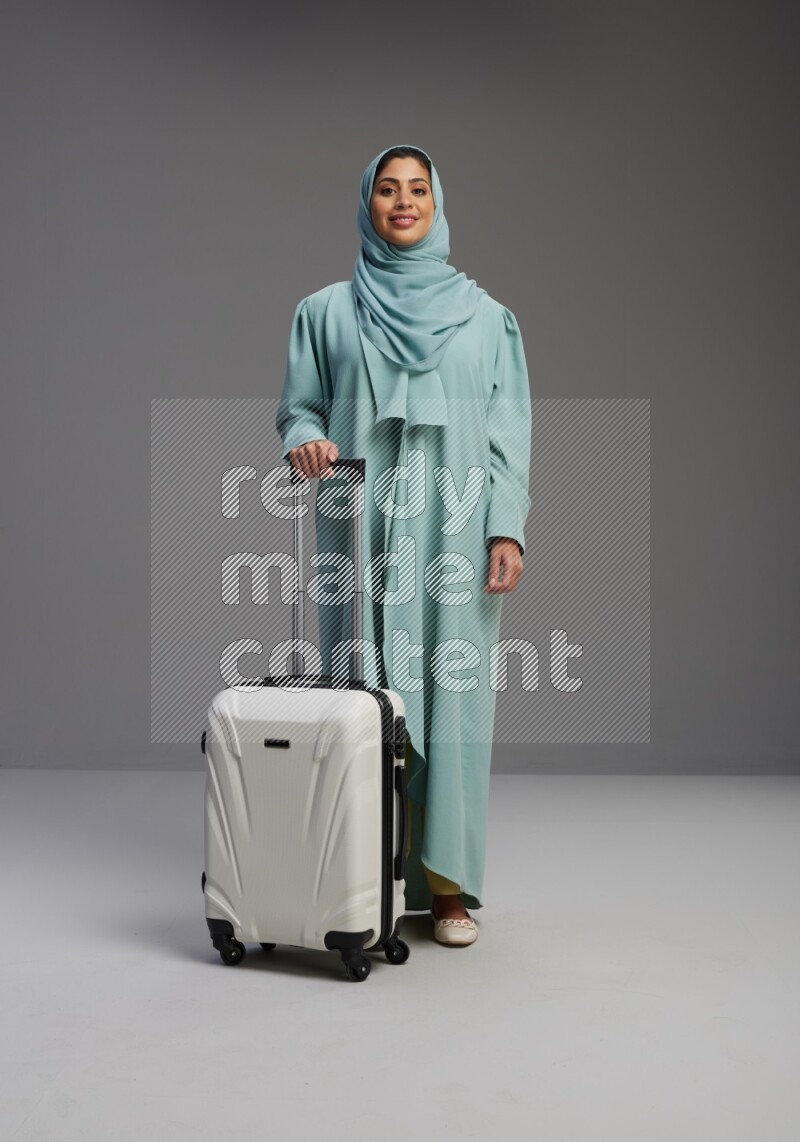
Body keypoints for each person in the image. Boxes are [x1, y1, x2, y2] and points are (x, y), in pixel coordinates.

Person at [276, 144, 531, 947]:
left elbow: (506, 437)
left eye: (418, 189)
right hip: (358, 536)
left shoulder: (489, 320)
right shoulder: (324, 311)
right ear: (367, 203)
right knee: (362, 703)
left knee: (452, 709)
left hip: (453, 535)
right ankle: (363, 879)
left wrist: (506, 528)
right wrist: (306, 441)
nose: (403, 201)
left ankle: (447, 890)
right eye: (388, 189)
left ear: (438, 202)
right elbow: (298, 410)